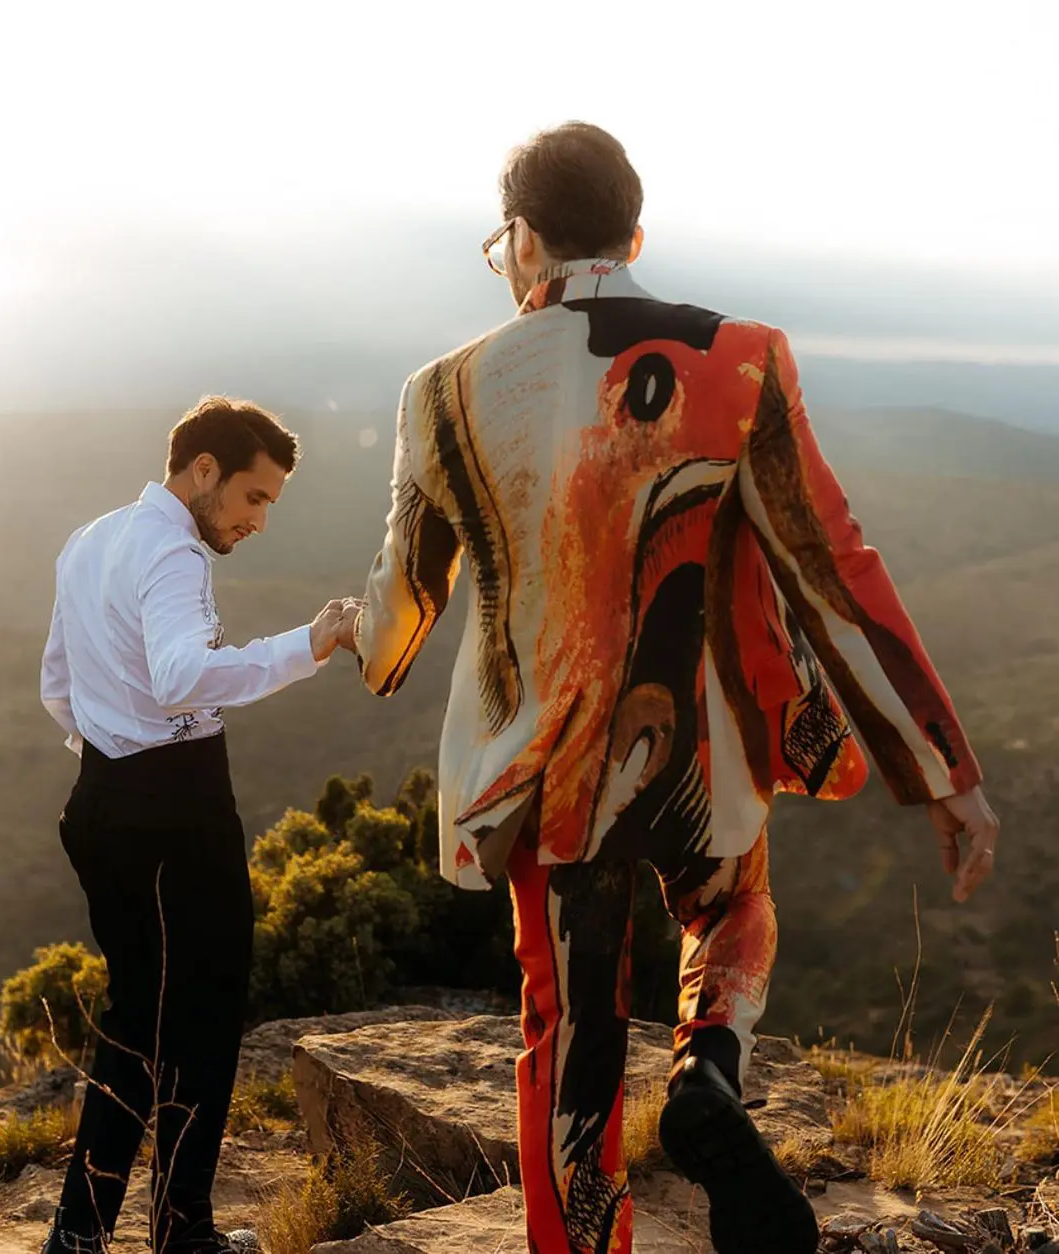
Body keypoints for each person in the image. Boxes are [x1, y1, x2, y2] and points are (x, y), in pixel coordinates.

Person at [343, 123, 999, 1254]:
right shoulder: (741, 356)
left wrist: (349, 639)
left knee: (567, 1028)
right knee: (734, 908)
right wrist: (940, 770)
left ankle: (584, 1244)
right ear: (634, 234)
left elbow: (401, 617)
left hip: (548, 773)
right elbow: (833, 565)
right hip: (708, 747)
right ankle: (710, 1068)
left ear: (522, 241)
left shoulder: (440, 393)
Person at [39, 396, 353, 1254]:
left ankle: (78, 1234)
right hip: (173, 816)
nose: (258, 521)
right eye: (254, 498)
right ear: (203, 469)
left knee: (134, 1017)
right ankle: (181, 1234)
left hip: (101, 800)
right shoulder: (174, 553)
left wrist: (113, 755)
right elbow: (181, 675)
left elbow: (58, 683)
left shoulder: (92, 539)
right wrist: (308, 645)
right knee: (202, 1020)